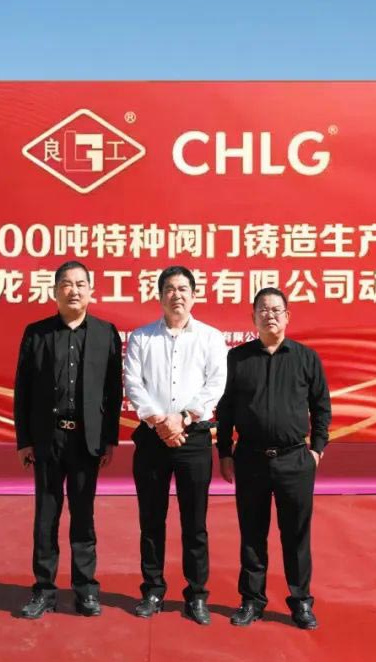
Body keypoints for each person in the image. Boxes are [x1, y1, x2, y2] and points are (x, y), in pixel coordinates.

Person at [216, 287, 332, 630]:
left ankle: (301, 601)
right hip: (249, 458)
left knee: (296, 535)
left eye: (276, 309)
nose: (270, 315)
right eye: (263, 310)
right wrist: (224, 452)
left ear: (287, 316)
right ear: (253, 317)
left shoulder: (306, 358)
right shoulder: (237, 359)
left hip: (295, 460)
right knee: (252, 534)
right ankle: (252, 600)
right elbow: (226, 409)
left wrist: (316, 449)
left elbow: (321, 407)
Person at [13, 260, 123, 619]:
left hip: (86, 441)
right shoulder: (37, 334)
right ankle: (44, 590)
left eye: (80, 284)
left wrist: (109, 440)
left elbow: (113, 392)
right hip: (48, 438)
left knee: (83, 516)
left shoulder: (106, 333)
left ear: (91, 291)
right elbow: (23, 390)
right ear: (55, 291)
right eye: (66, 284)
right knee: (46, 516)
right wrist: (24, 440)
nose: (73, 291)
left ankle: (86, 589)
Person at [124, 265, 227, 625]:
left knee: (194, 522)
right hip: (152, 438)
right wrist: (159, 421)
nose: (176, 295)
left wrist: (182, 418)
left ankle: (196, 594)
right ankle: (152, 590)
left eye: (183, 289)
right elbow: (133, 384)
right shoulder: (141, 338)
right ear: (160, 296)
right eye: (170, 289)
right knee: (151, 519)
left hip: (193, 438)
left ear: (194, 295)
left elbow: (215, 384)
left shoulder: (211, 338)